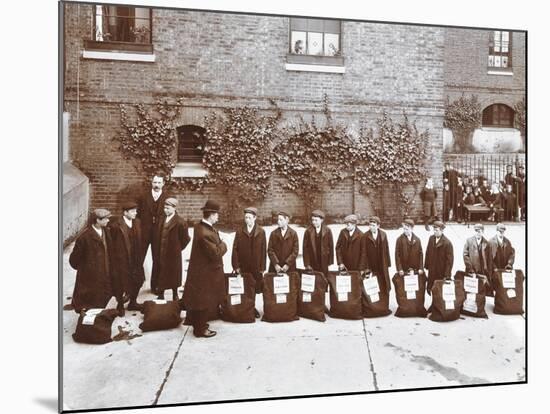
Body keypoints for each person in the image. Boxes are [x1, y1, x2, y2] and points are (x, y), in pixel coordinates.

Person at [183, 200, 227, 338]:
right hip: (205, 273)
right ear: (211, 215)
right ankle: (200, 329)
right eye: (216, 214)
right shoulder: (205, 233)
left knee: (200, 299)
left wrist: (218, 242)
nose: (218, 217)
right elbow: (215, 254)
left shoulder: (200, 227)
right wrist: (224, 244)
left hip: (202, 271)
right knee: (202, 301)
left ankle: (199, 325)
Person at [69, 209, 114, 313]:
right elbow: (74, 260)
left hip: (105, 273)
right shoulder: (84, 238)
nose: (108, 220)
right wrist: (86, 269)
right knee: (90, 304)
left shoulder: (106, 231)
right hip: (91, 277)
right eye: (106, 218)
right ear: (98, 220)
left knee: (102, 300)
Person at [109, 201, 145, 315]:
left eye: (136, 211)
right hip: (122, 259)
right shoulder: (116, 225)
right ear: (125, 213)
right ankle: (120, 304)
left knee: (139, 280)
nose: (136, 213)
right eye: (133, 211)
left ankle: (133, 302)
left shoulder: (137, 222)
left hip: (136, 258)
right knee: (121, 282)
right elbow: (111, 243)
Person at [137, 173, 171, 294]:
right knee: (138, 257)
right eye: (154, 182)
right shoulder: (143, 197)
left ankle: (155, 285)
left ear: (163, 184)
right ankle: (135, 285)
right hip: (144, 233)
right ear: (152, 183)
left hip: (159, 233)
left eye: (159, 183)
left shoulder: (167, 198)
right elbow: (138, 215)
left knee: (158, 259)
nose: (156, 185)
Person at [232, 207, 267, 318]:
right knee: (245, 286)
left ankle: (252, 306)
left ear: (255, 218)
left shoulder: (261, 232)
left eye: (249, 218)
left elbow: (263, 250)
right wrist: (236, 265)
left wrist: (262, 266)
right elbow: (235, 249)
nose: (247, 220)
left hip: (256, 265)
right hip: (244, 264)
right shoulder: (240, 231)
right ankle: (248, 308)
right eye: (246, 217)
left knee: (255, 287)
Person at [155, 198, 190, 301]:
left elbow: (185, 239)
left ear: (174, 208)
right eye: (165, 208)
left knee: (173, 273)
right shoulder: (161, 219)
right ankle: (161, 293)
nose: (166, 210)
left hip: (173, 253)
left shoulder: (180, 222)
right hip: (161, 251)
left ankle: (175, 294)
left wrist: (177, 248)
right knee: (161, 272)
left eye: (168, 208)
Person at [362, 216, 392, 295]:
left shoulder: (383, 234)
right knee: (372, 283)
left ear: (378, 226)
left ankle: (383, 302)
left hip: (381, 262)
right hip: (371, 262)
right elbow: (364, 252)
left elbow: (386, 249)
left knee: (383, 281)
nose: (371, 227)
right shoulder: (365, 236)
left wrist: (387, 263)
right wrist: (365, 266)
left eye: (373, 225)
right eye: (370, 225)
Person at [424, 221, 453, 293]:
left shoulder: (447, 243)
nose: (434, 232)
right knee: (431, 287)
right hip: (432, 269)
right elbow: (428, 252)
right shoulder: (431, 239)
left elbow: (449, 261)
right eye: (434, 230)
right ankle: (433, 303)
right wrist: (427, 265)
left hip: (441, 271)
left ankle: (438, 304)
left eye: (437, 230)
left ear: (442, 230)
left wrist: (447, 275)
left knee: (439, 289)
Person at [463, 223, 492, 294]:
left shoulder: (487, 243)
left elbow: (489, 259)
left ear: (483, 232)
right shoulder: (469, 241)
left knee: (481, 290)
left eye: (479, 231)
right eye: (476, 231)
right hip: (471, 270)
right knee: (471, 290)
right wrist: (470, 268)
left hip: (482, 271)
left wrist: (489, 271)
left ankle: (481, 303)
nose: (477, 233)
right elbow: (465, 255)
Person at [303, 209, 334, 276]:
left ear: (321, 220)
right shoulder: (308, 231)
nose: (314, 222)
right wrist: (307, 264)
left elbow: (331, 245)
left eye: (316, 220)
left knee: (324, 278)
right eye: (312, 220)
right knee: (313, 279)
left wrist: (330, 261)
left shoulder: (327, 231)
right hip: (312, 260)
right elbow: (305, 248)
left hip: (323, 259)